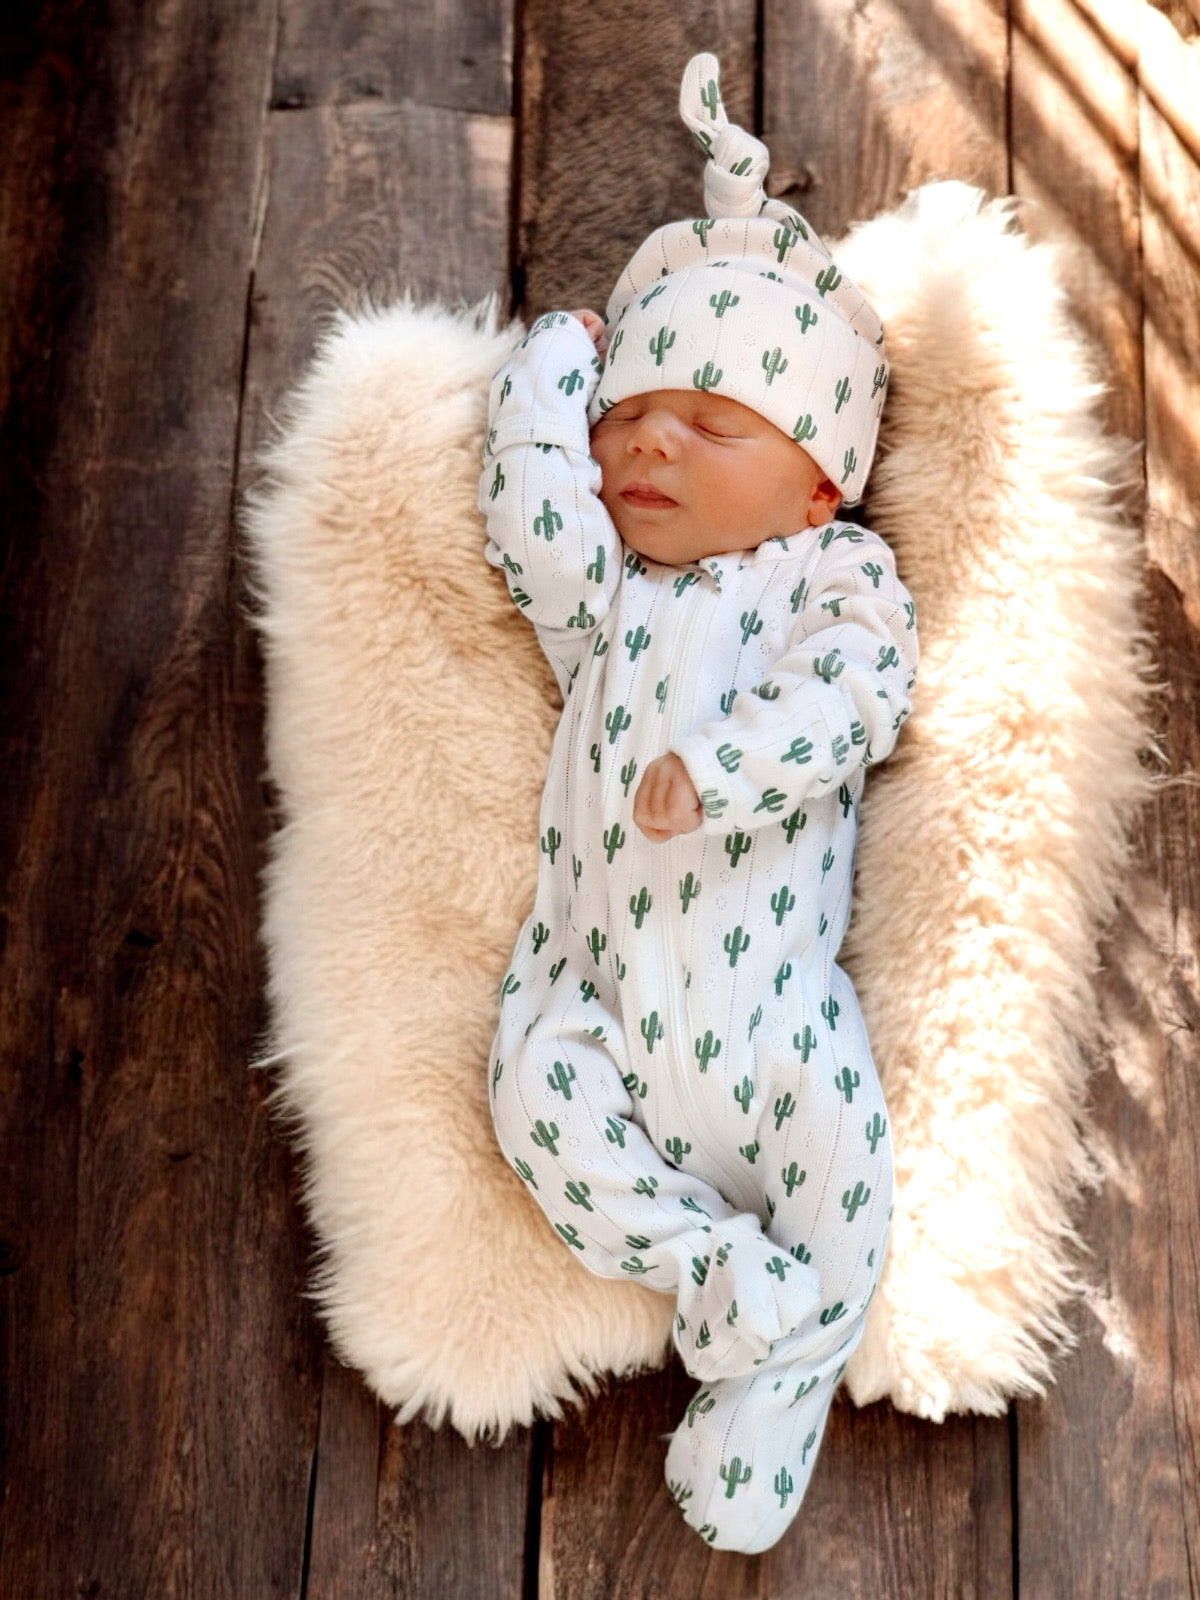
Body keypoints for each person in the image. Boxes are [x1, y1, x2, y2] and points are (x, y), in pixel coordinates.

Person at [477, 51, 917, 1554]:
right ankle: (714, 1270)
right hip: (597, 1002)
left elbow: (858, 697)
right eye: (630, 419)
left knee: (852, 1184)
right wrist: (552, 371)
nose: (652, 443)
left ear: (817, 485)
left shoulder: (831, 574)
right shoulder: (606, 602)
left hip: (778, 1018)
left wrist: (724, 767)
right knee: (531, 1102)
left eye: (713, 426)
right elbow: (534, 514)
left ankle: (771, 1400)